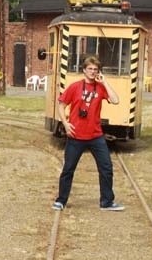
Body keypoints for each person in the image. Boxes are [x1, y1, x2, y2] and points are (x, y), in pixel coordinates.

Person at [52, 56, 124, 211]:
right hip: (76, 136)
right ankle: (61, 200)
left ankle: (107, 202)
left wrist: (104, 82)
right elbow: (61, 105)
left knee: (106, 168)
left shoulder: (100, 87)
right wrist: (65, 123)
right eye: (90, 69)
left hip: (96, 136)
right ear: (84, 70)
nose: (92, 72)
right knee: (68, 169)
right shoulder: (75, 87)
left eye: (95, 69)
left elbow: (116, 100)